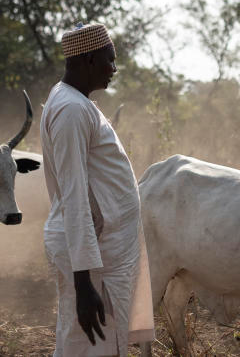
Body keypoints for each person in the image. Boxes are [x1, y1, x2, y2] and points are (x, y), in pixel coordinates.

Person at [40, 22, 154, 356]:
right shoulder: (72, 110)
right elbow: (74, 196)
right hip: (95, 261)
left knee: (85, 344)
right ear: (89, 59)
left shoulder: (73, 102)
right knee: (93, 346)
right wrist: (84, 282)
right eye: (109, 59)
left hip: (100, 254)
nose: (114, 69)